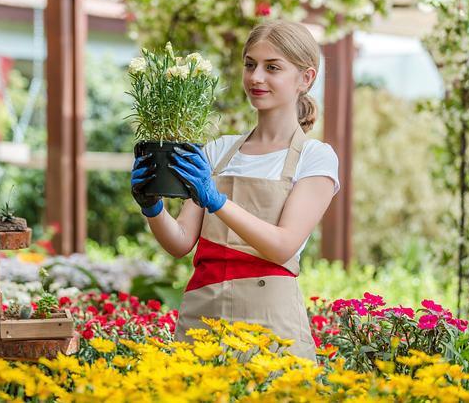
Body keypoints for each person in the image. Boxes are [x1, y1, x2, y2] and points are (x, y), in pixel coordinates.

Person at [130, 20, 340, 361]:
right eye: (250, 64)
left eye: (272, 67)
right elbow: (181, 242)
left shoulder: (316, 158)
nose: (256, 77)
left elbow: (282, 245)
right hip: (204, 318)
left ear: (306, 78)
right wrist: (152, 207)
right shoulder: (219, 151)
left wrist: (216, 200)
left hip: (272, 329)